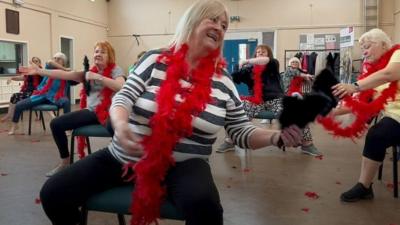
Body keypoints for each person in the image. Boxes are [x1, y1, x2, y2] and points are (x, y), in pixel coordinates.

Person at [38, 1, 303, 225]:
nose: (220, 28)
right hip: (124, 156)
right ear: (192, 22)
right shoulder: (155, 60)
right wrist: (119, 124)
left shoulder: (223, 82)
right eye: (213, 20)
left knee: (205, 207)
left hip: (185, 165)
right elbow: (124, 96)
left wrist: (274, 137)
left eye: (224, 26)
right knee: (54, 193)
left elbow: (241, 130)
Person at [20, 41, 125, 177]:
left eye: (102, 52)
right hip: (92, 112)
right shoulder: (88, 72)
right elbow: (64, 74)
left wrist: (99, 78)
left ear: (109, 56)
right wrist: (40, 71)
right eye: (96, 51)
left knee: (123, 129)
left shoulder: (115, 70)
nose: (98, 54)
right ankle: (65, 162)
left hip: (111, 113)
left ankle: (120, 165)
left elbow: (120, 86)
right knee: (56, 124)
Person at [330, 28, 400, 202]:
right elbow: (364, 104)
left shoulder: (398, 54)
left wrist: (354, 86)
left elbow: (390, 74)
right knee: (376, 134)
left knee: (378, 132)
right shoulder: (372, 73)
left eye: (367, 46)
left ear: (384, 45)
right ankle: (365, 186)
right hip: (393, 117)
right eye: (362, 48)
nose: (364, 51)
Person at [217, 46, 321, 156]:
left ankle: (307, 144)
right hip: (255, 101)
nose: (260, 53)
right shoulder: (249, 70)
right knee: (237, 109)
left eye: (263, 52)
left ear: (268, 54)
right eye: (258, 52)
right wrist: (239, 67)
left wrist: (247, 60)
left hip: (275, 99)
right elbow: (235, 78)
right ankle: (230, 141)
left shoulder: (273, 64)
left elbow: (265, 61)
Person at [8, 52, 71, 135]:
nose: (56, 60)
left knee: (66, 102)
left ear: (64, 61)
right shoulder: (48, 69)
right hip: (42, 94)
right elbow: (49, 62)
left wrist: (67, 71)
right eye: (55, 58)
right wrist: (65, 69)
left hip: (55, 97)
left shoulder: (67, 74)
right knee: (19, 105)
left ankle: (67, 128)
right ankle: (14, 126)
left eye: (59, 59)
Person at [0, 56, 43, 122]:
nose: (34, 62)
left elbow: (39, 72)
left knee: (15, 96)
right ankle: (9, 115)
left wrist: (32, 64)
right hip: (27, 92)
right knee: (13, 96)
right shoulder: (29, 72)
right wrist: (11, 78)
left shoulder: (41, 71)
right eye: (33, 61)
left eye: (36, 61)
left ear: (40, 63)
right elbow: (22, 77)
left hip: (35, 93)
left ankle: (10, 116)